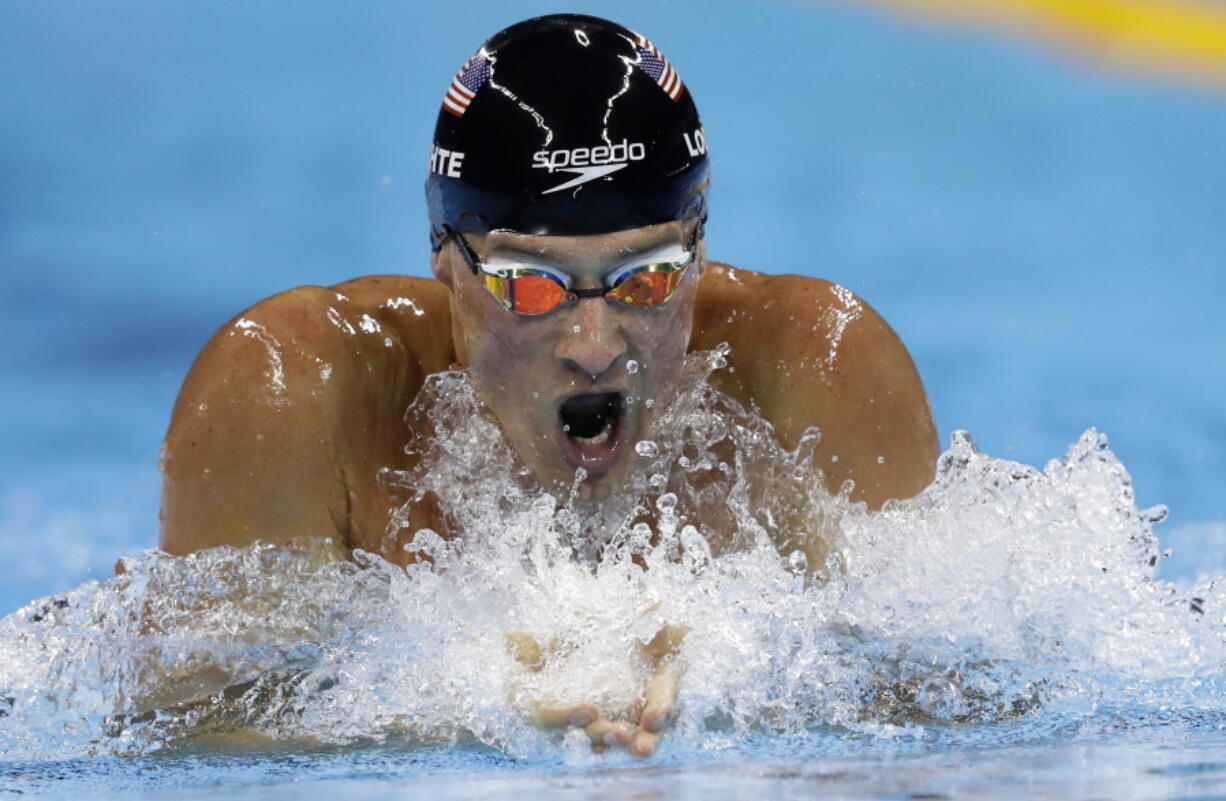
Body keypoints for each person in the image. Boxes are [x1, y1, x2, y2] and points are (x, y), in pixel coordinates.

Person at [156, 14, 938, 756]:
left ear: (699, 249)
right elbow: (192, 741)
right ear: (445, 257)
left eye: (646, 280)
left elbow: (947, 715)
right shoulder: (297, 389)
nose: (594, 348)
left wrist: (753, 676)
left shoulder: (819, 371)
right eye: (529, 288)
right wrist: (460, 700)